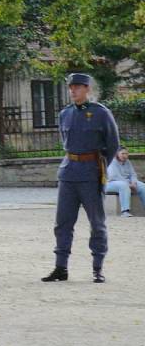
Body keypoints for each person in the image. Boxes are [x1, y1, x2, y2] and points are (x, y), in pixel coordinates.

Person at [42, 73, 120, 284]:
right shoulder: (65, 114)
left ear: (87, 89)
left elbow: (112, 144)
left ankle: (97, 268)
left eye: (77, 87)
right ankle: (61, 267)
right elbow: (65, 140)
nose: (73, 91)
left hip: (91, 173)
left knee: (97, 223)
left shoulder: (101, 113)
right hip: (68, 172)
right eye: (71, 87)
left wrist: (99, 165)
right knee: (63, 223)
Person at [105, 147, 145, 217]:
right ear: (117, 154)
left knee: (142, 186)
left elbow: (133, 174)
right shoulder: (112, 161)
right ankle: (125, 211)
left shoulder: (127, 162)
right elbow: (114, 176)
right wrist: (129, 184)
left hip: (125, 182)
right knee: (123, 185)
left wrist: (134, 182)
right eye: (122, 153)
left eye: (126, 153)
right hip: (109, 183)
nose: (124, 155)